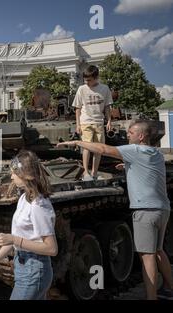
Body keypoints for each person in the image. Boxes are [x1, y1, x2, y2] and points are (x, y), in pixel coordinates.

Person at [57, 119, 173, 300]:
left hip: (145, 210)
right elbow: (146, 169)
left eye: (131, 133)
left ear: (141, 136)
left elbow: (103, 149)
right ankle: (168, 286)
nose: (127, 135)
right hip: (162, 209)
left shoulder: (134, 151)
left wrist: (77, 142)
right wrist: (128, 166)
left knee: (147, 257)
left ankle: (152, 298)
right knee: (158, 251)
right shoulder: (156, 153)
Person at [0, 150, 58, 300]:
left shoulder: (38, 206)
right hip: (24, 268)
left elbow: (51, 248)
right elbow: (15, 238)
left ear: (25, 174)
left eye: (14, 173)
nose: (11, 176)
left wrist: (15, 240)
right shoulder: (24, 198)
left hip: (34, 271)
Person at [73, 65, 113, 181]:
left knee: (99, 149)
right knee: (87, 147)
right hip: (85, 122)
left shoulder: (105, 89)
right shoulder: (81, 89)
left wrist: (109, 121)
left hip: (99, 122)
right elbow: (78, 108)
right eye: (85, 79)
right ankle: (86, 173)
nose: (87, 82)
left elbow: (107, 107)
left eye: (89, 79)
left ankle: (94, 173)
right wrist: (78, 124)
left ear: (96, 77)